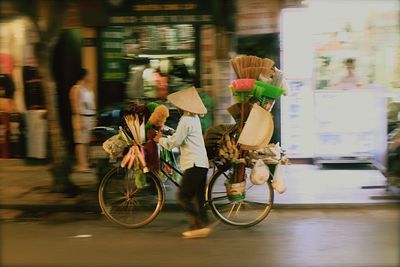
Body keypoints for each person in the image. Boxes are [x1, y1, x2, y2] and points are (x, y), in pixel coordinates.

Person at [154, 87, 210, 239]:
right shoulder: (194, 118)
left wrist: (160, 140)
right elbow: (181, 136)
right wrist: (172, 134)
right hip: (201, 163)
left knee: (183, 197)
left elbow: (175, 142)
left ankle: (197, 225)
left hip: (193, 164)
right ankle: (202, 226)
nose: (177, 108)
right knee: (199, 199)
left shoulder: (185, 120)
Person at [69, 68, 96, 172]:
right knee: (80, 142)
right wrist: (79, 119)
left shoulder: (87, 89)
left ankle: (86, 162)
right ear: (84, 76)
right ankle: (82, 164)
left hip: (89, 117)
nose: (90, 77)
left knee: (87, 142)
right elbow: (75, 105)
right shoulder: (76, 89)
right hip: (81, 117)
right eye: (89, 75)